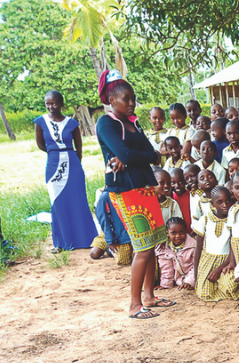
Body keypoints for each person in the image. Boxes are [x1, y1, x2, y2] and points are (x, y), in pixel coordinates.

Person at [96, 70, 174, 319]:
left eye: (133, 98)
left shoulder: (133, 121)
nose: (131, 103)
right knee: (142, 246)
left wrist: (131, 156)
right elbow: (143, 154)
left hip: (143, 185)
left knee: (151, 243)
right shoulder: (106, 123)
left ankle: (149, 296)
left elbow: (141, 151)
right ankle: (134, 304)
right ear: (111, 100)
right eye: (126, 99)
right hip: (125, 190)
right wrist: (141, 156)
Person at [35, 90, 98, 251]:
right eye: (47, 104)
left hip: (73, 165)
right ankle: (61, 242)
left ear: (61, 104)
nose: (50, 107)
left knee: (78, 200)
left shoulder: (71, 123)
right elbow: (41, 144)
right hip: (53, 165)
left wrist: (75, 161)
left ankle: (85, 239)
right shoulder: (40, 122)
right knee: (57, 203)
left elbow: (79, 147)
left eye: (54, 103)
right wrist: (54, 151)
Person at [192, 186, 239, 301]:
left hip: (227, 261)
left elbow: (233, 247)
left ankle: (221, 285)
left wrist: (219, 269)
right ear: (212, 204)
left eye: (227, 201)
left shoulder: (233, 219)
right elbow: (198, 249)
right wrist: (196, 276)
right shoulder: (205, 219)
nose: (225, 205)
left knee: (230, 288)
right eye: (220, 202)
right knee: (204, 292)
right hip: (207, 260)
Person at [89, 189, 133, 265]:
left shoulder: (132, 190)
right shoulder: (104, 194)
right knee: (94, 253)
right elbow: (104, 220)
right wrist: (110, 240)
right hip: (111, 232)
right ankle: (109, 249)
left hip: (127, 232)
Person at [155, 217, 196, 290]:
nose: (178, 236)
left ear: (186, 232)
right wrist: (166, 284)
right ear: (167, 233)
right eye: (173, 233)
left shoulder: (193, 246)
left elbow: (196, 266)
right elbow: (166, 267)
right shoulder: (164, 249)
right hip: (179, 280)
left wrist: (189, 282)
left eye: (181, 232)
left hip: (194, 277)